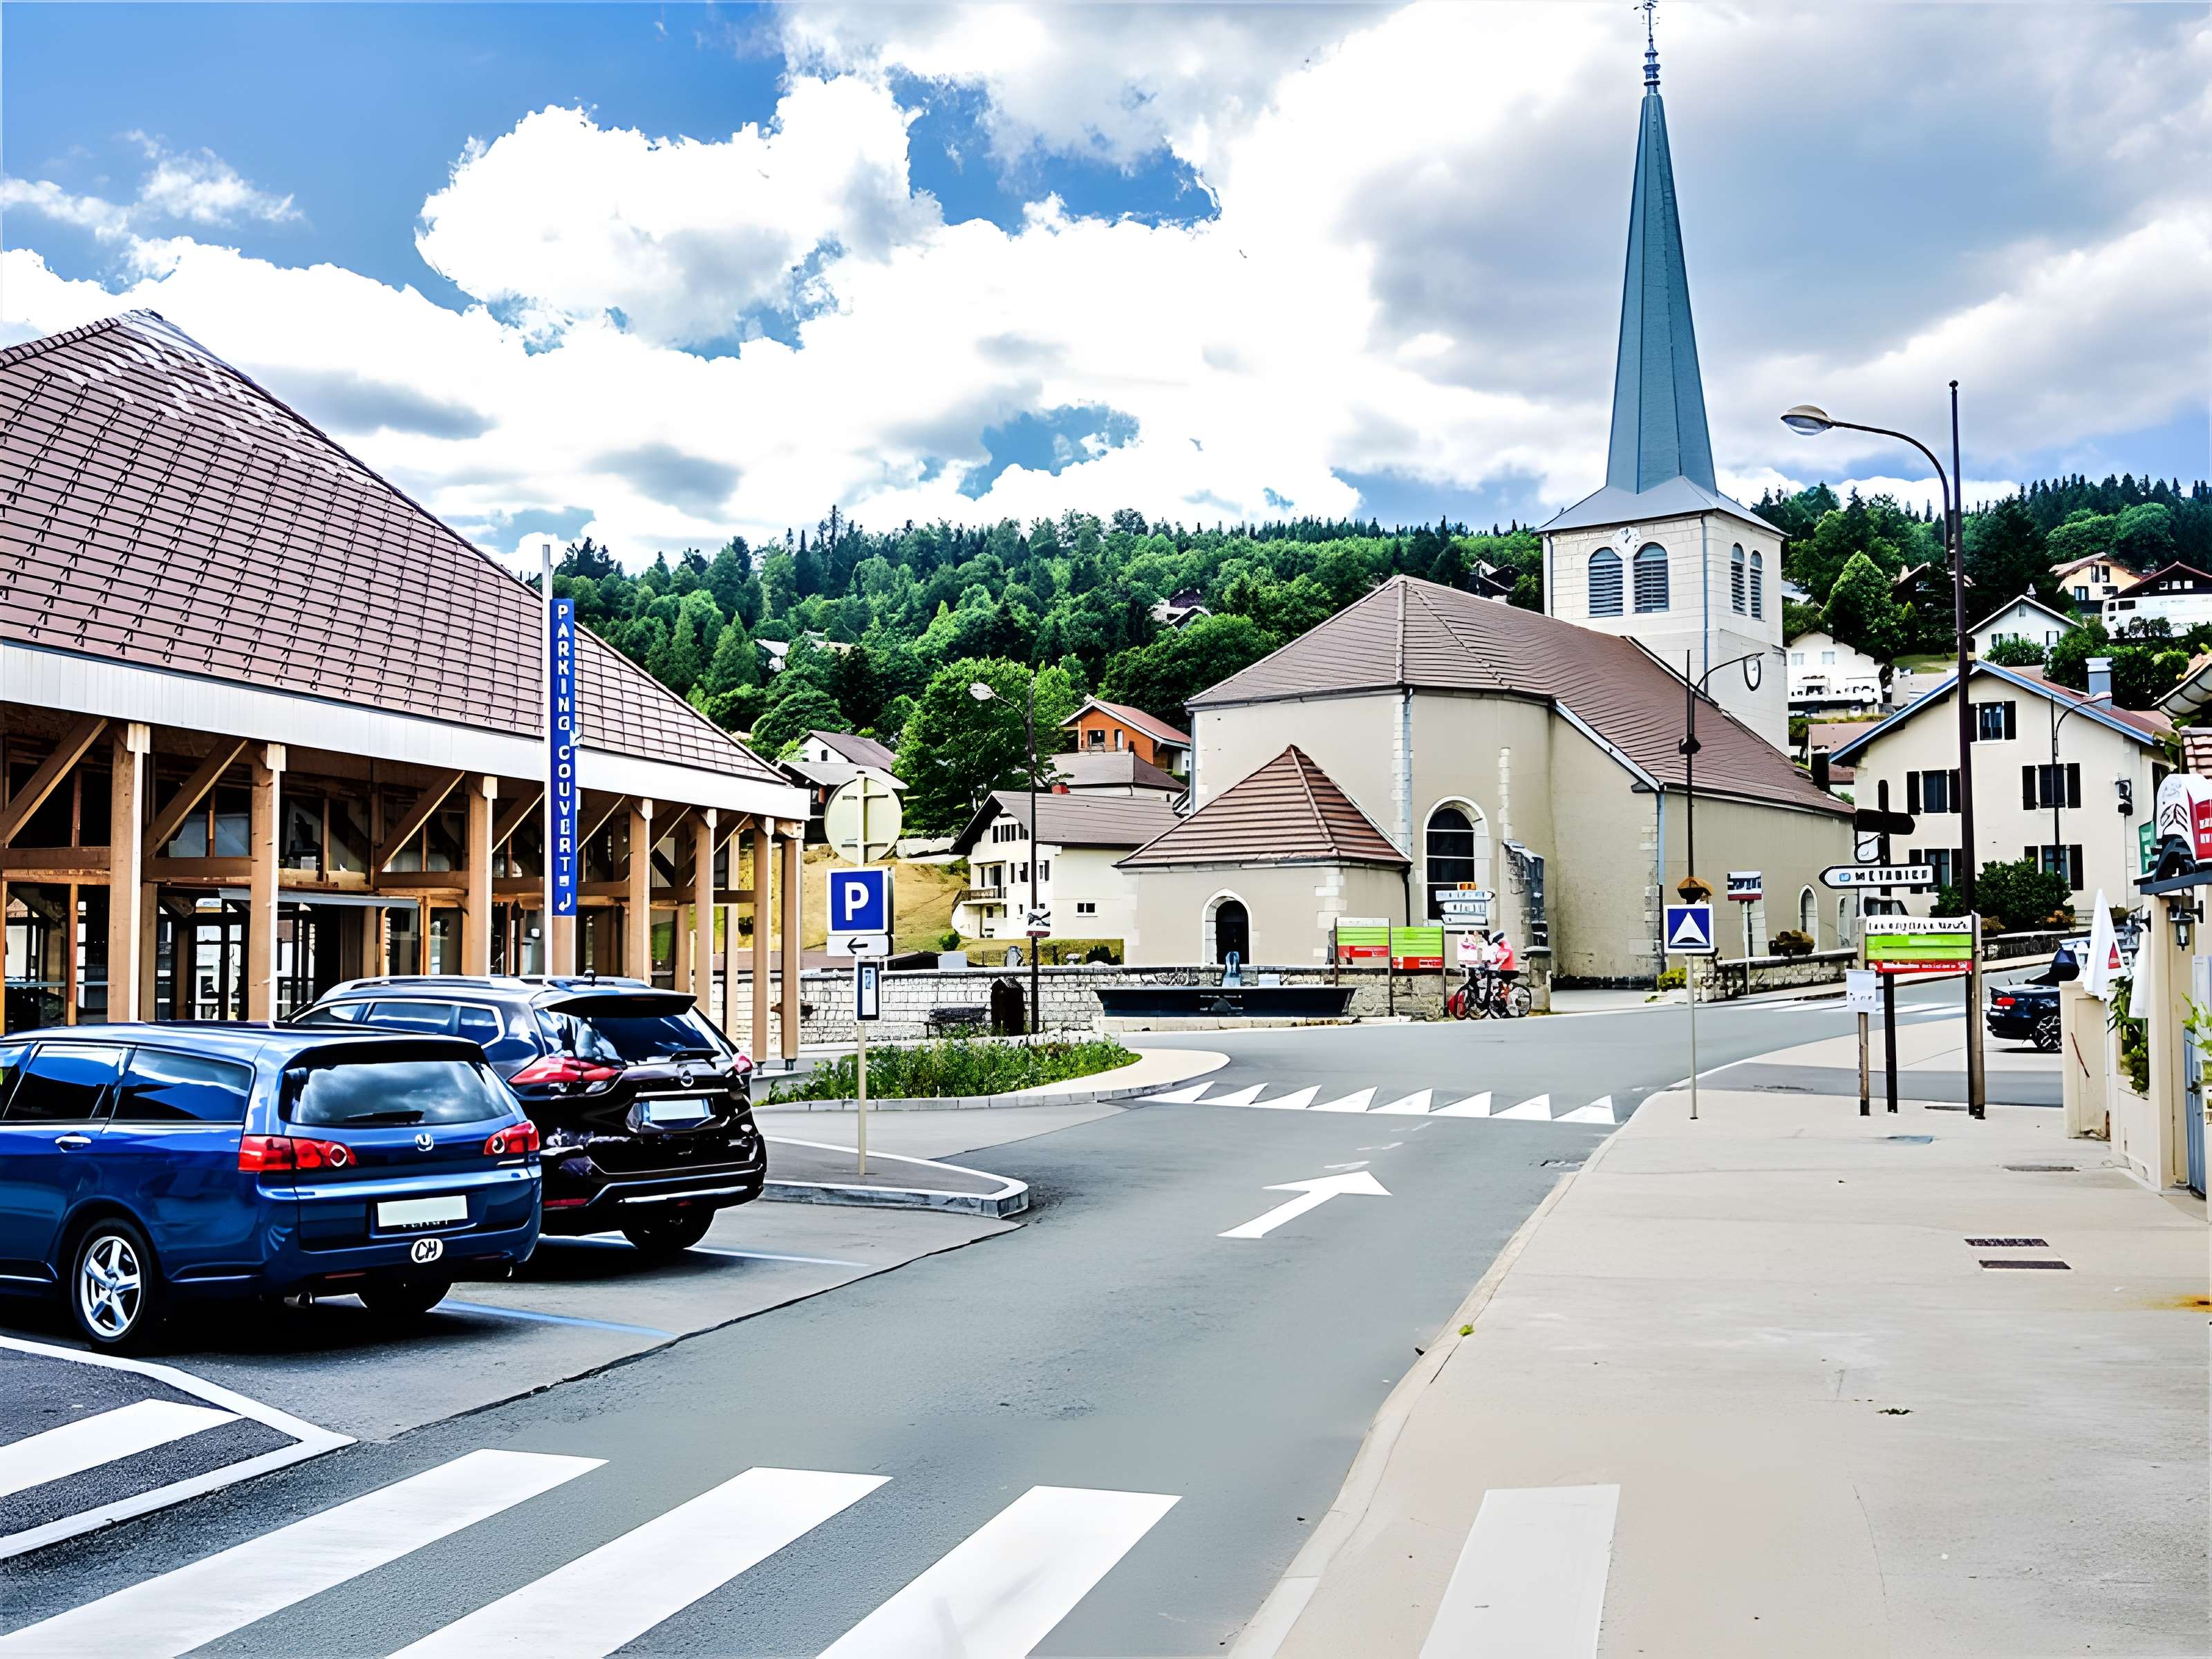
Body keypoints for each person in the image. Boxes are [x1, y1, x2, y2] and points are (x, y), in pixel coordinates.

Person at [1484, 930, 1520, 1014]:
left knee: (1500, 986)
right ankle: (1501, 999)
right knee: (1497, 984)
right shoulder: (1501, 946)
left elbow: (1502, 955)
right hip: (1504, 969)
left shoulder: (1505, 945)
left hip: (1508, 970)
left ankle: (1506, 1003)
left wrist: (1492, 961)